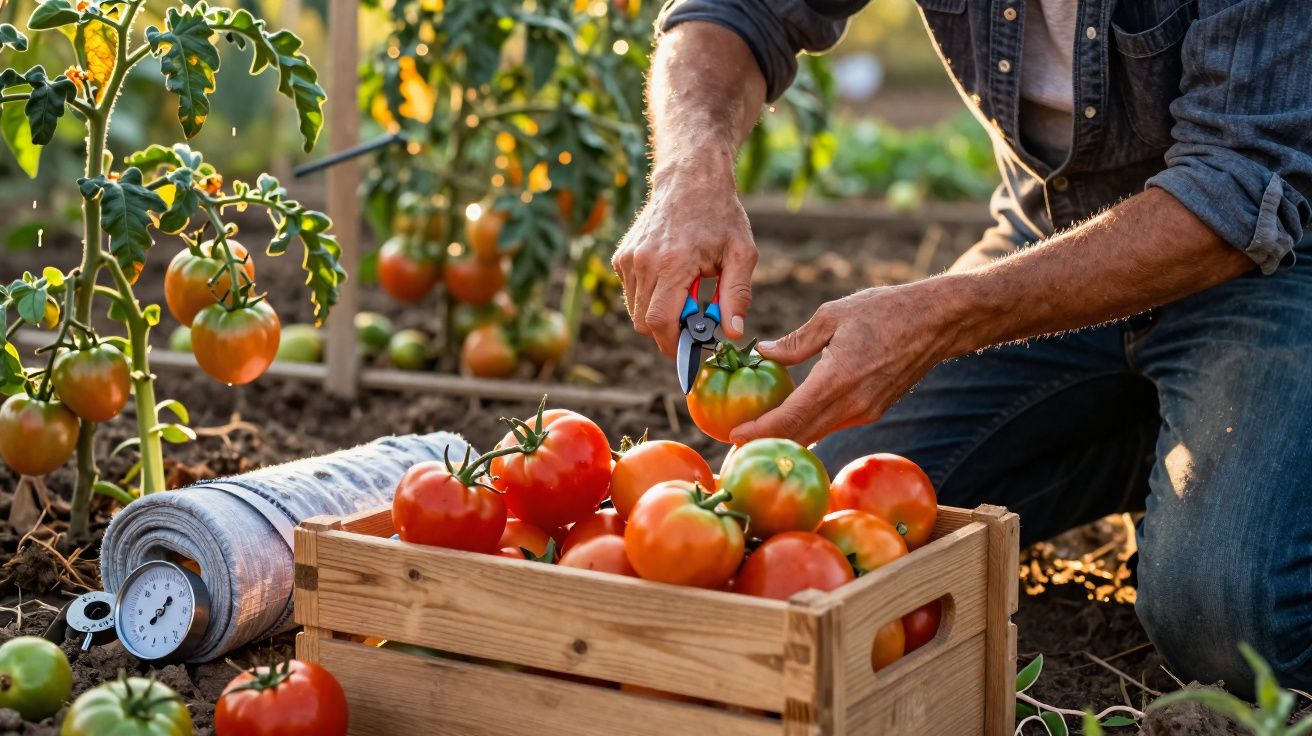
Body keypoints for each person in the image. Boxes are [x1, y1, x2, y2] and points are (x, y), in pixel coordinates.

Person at [612, 0, 1312, 696]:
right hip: (1052, 236)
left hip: (1272, 263)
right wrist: (688, 171)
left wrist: (941, 316)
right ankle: (1157, 435)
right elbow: (733, 11)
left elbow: (1238, 181)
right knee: (833, 515)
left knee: (1230, 624)